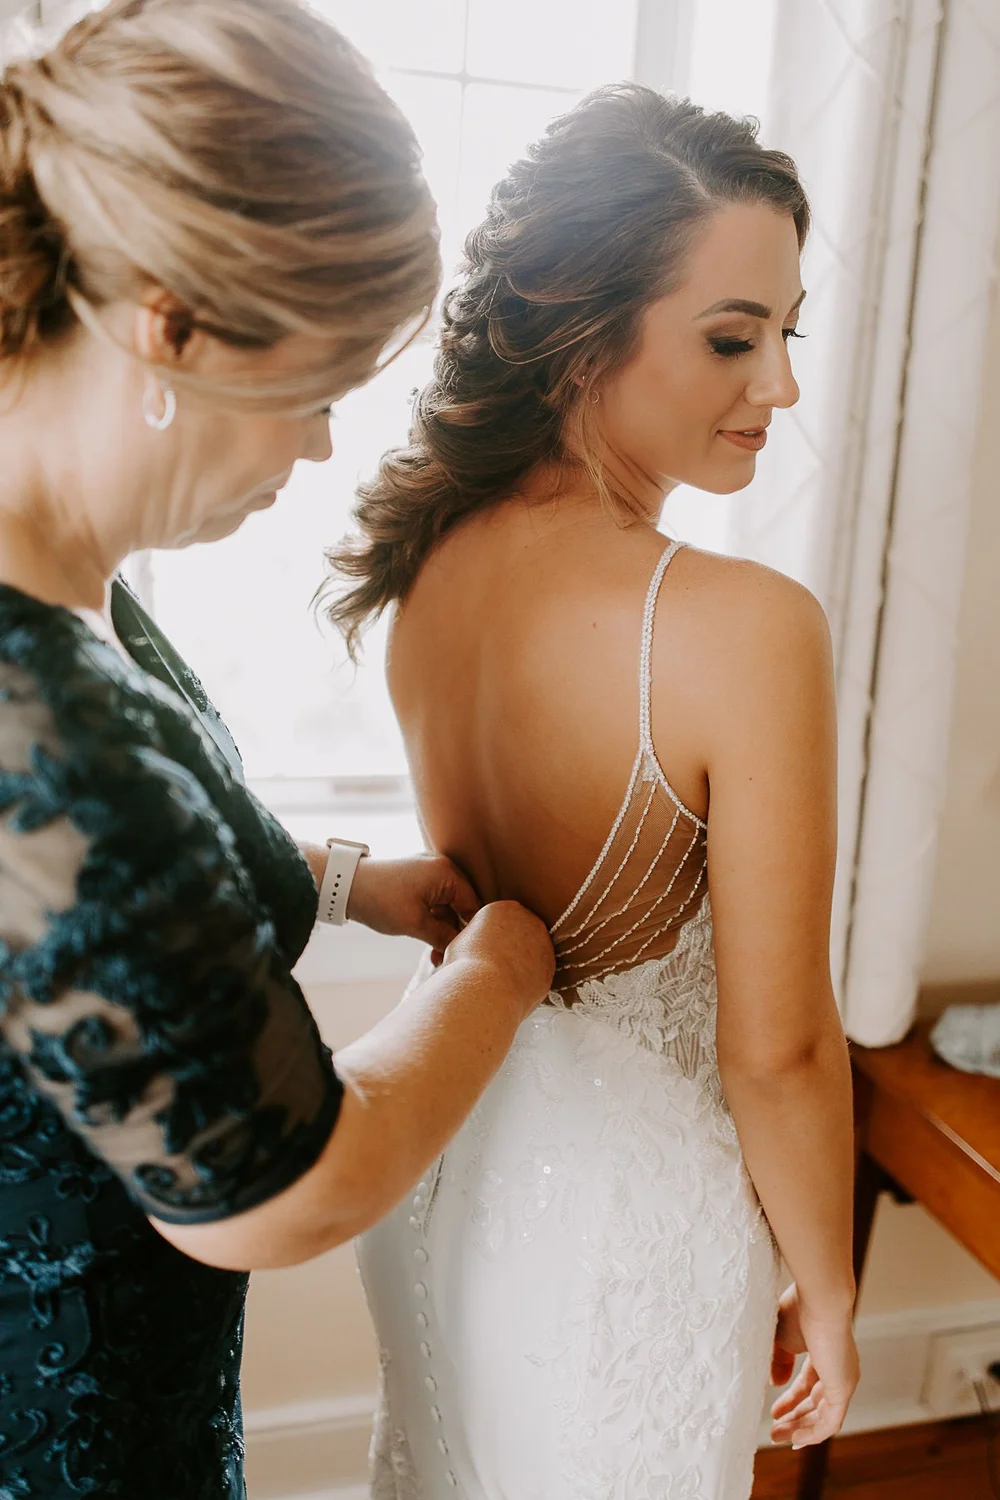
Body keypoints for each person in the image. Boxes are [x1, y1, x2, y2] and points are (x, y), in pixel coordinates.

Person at [0, 3, 554, 1497]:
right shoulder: (33, 723)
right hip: (68, 1426)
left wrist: (344, 881)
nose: (316, 450)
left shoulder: (68, 576)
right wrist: (500, 974)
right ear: (168, 322)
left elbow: (96, 904)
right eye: (315, 390)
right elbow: (280, 1198)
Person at [330, 85, 859, 1499]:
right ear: (582, 321)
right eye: (732, 339)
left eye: (786, 335)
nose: (783, 388)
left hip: (447, 1161)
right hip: (626, 1235)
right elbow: (780, 1049)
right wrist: (835, 1286)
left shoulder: (426, 562)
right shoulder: (743, 626)